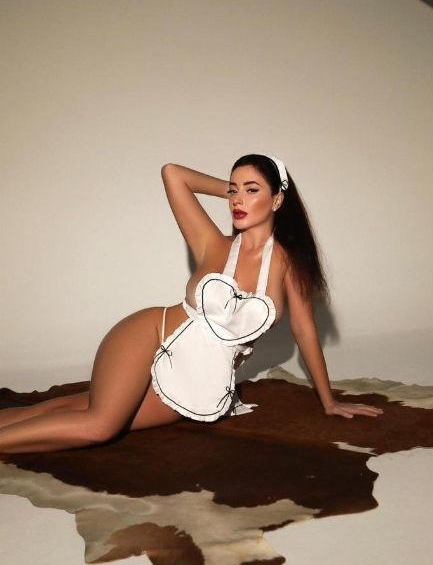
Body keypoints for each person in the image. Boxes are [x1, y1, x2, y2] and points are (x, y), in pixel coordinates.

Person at [0, 154, 383, 453]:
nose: (238, 199)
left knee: (77, 409)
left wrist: (329, 401)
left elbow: (304, 330)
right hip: (149, 335)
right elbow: (173, 174)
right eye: (234, 190)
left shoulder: (289, 263)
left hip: (198, 382)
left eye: (252, 190)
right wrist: (229, 190)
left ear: (277, 198)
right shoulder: (213, 243)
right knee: (101, 425)